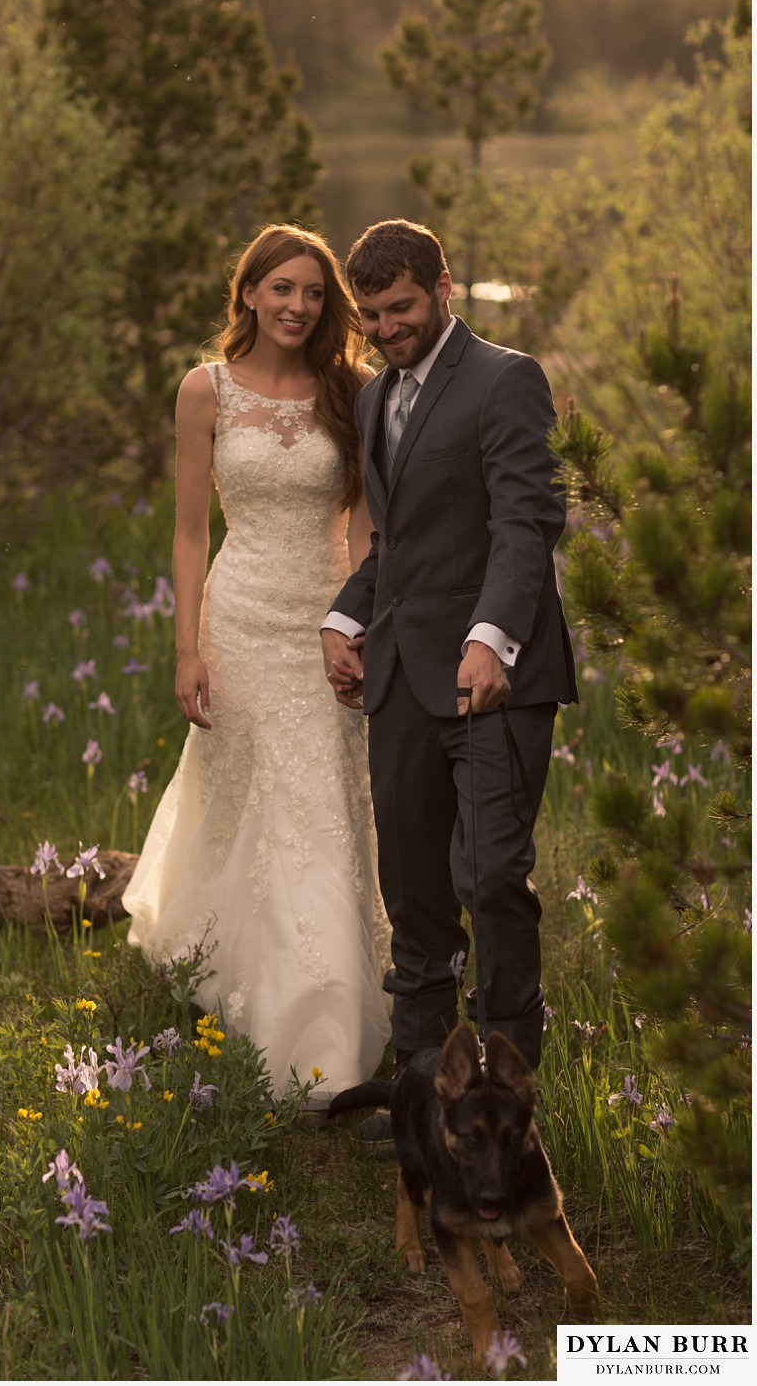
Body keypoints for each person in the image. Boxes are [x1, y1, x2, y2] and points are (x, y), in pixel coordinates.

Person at [125, 224, 391, 1104]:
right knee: (246, 804)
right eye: (281, 288)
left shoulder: (353, 390)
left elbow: (360, 525)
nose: (297, 306)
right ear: (247, 293)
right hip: (238, 620)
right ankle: (234, 988)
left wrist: (353, 619)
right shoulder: (204, 391)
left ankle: (324, 1035)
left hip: (322, 623)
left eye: (313, 293)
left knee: (319, 807)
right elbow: (192, 528)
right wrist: (187, 645)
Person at [321, 218, 577, 1075]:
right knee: (415, 889)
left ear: (444, 287)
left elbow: (526, 521)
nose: (387, 328)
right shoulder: (370, 398)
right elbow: (397, 546)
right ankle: (423, 1075)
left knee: (491, 876)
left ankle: (505, 1078)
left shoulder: (507, 380)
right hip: (399, 678)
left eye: (401, 308)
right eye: (372, 316)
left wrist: (491, 641)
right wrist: (344, 619)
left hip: (490, 679)